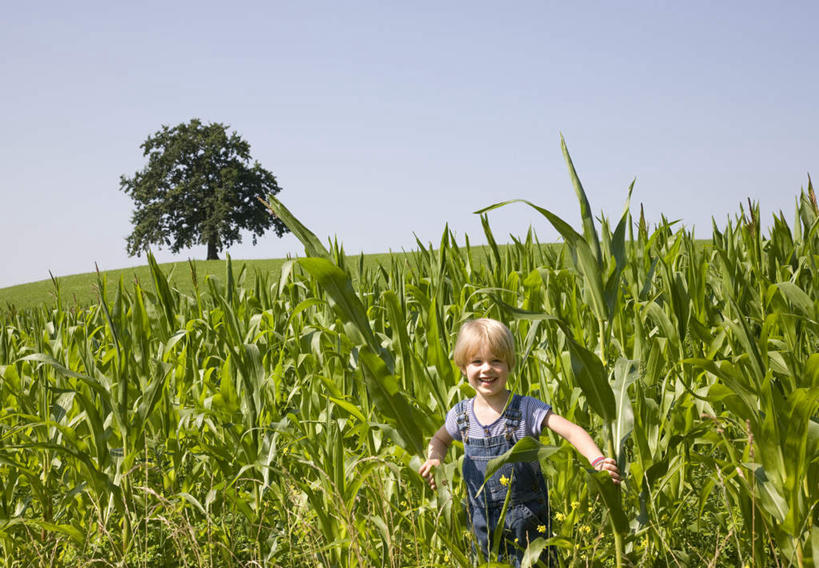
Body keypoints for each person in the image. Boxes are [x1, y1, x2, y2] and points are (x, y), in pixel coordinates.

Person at [419, 318, 621, 566]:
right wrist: (434, 458)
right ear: (463, 367)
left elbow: (571, 430)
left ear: (509, 364)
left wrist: (598, 461)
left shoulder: (526, 409)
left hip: (527, 527)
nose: (486, 369)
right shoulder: (461, 416)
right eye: (476, 362)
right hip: (482, 526)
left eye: (496, 360)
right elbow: (439, 439)